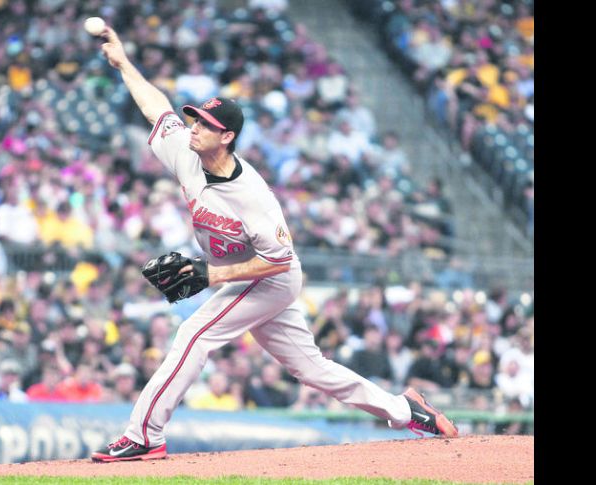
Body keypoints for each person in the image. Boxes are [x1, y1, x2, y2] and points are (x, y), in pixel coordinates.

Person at [90, 24, 457, 463]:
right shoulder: (185, 151)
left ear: (226, 136)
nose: (195, 127)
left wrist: (211, 275)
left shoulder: (254, 197)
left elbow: (278, 263)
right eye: (197, 118)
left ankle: (145, 433)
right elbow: (158, 111)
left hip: (270, 277)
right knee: (312, 369)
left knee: (194, 334)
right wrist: (124, 62)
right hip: (247, 274)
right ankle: (407, 411)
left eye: (205, 124)